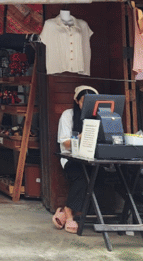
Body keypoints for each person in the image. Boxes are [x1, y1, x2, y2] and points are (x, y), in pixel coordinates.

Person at [53, 85, 99, 233]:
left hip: (93, 158)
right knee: (81, 175)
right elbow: (65, 142)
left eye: (91, 102)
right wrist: (83, 136)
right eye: (83, 101)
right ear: (76, 101)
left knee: (101, 174)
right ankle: (69, 213)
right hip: (71, 157)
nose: (86, 105)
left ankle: (65, 211)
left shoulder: (100, 116)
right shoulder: (68, 115)